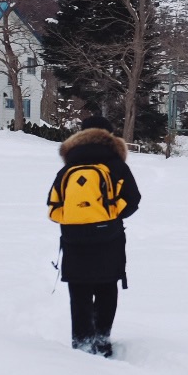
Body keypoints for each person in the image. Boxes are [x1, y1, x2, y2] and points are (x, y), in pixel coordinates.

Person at [47, 111, 141, 356]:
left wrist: (73, 221)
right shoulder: (116, 165)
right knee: (107, 290)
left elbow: (53, 208)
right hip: (109, 239)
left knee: (79, 294)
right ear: (109, 135)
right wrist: (109, 215)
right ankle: (101, 341)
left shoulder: (69, 168)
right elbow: (133, 200)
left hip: (74, 241)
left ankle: (81, 345)